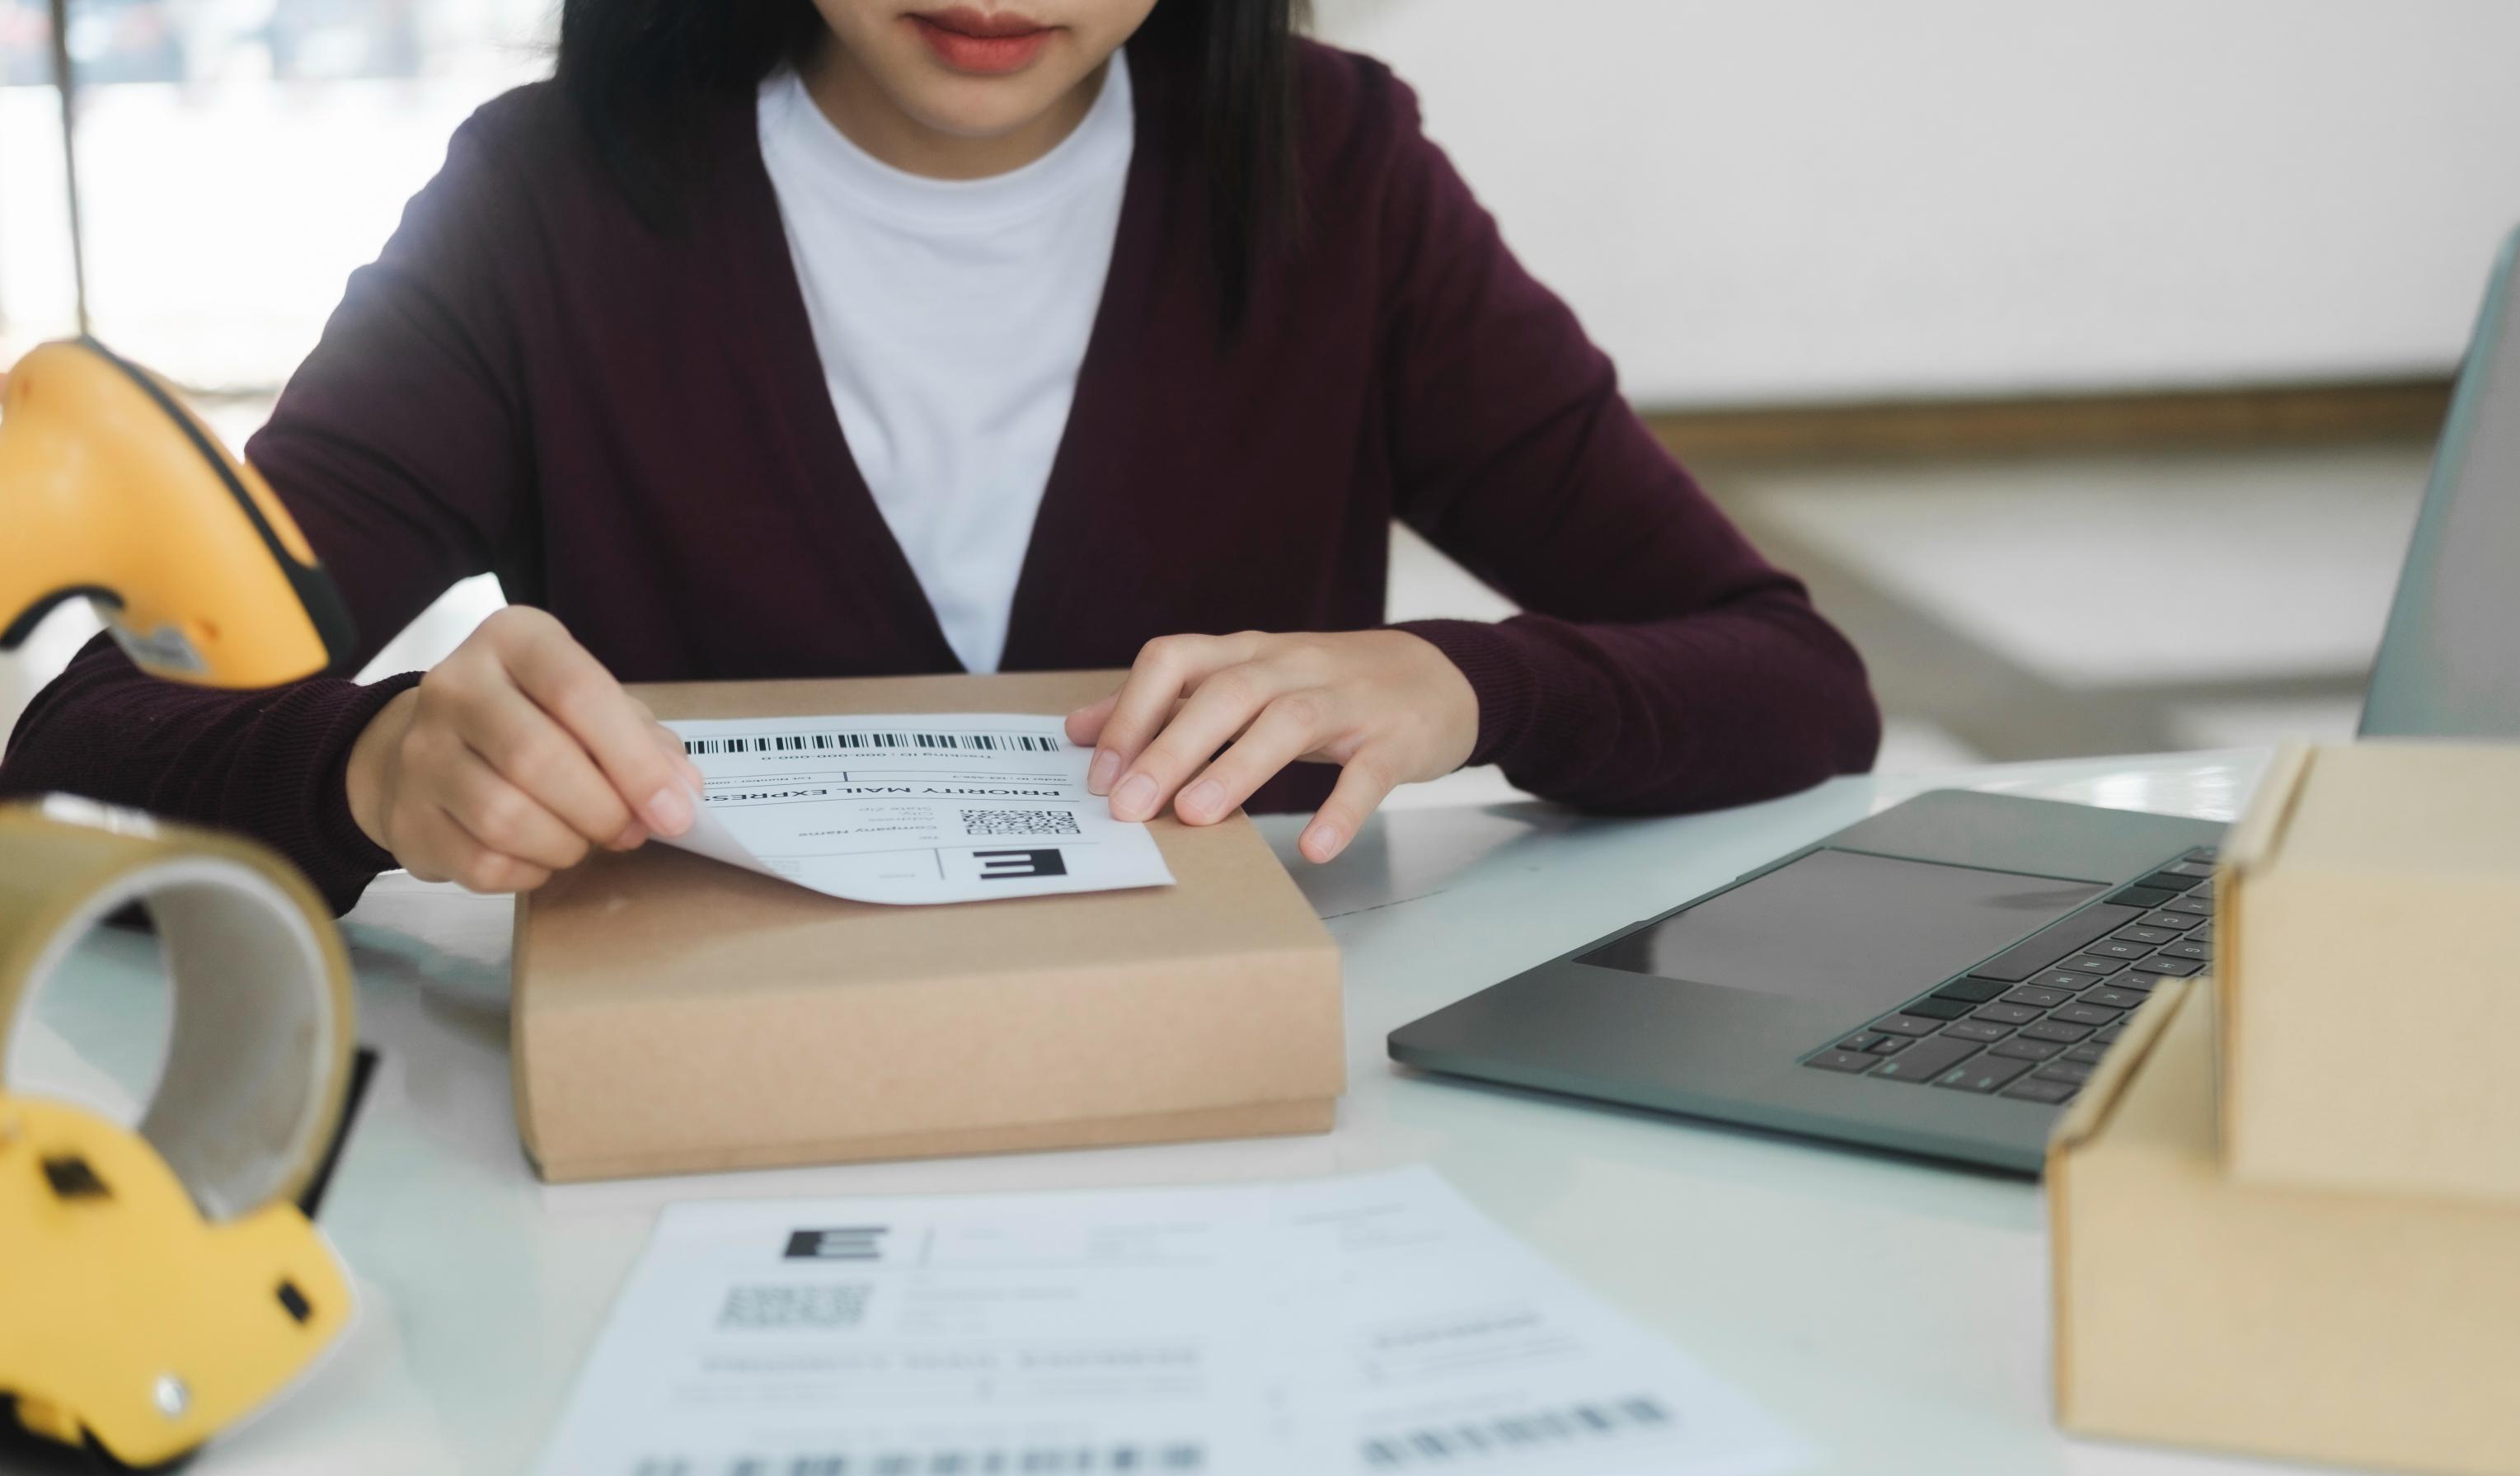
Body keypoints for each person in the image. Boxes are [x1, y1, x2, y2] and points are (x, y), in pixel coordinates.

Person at [0, 0, 1879, 914]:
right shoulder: (546, 205)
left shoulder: (1334, 177)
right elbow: (85, 736)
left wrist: (1456, 684)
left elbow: (1791, 680)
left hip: (1237, 1132)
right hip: (698, 1150)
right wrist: (372, 759)